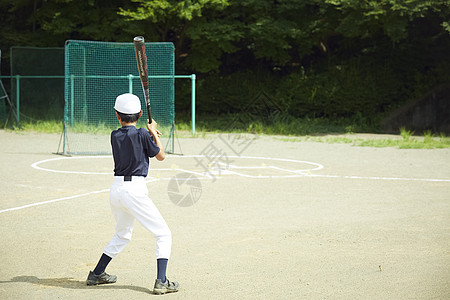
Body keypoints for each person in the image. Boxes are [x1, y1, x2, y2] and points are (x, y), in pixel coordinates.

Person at [86, 93, 179, 295]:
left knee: (122, 234)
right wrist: (153, 132)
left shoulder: (114, 135)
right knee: (163, 234)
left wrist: (148, 133)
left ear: (117, 116)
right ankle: (161, 281)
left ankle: (97, 274)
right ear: (140, 114)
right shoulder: (143, 135)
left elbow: (132, 136)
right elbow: (161, 156)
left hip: (116, 191)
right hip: (134, 191)